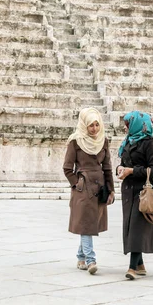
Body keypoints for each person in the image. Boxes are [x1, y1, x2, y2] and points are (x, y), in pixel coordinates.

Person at [63, 107, 115, 275]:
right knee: (86, 224)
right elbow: (67, 168)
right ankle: (91, 260)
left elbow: (107, 167)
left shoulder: (103, 141)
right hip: (83, 188)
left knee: (90, 223)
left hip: (99, 188)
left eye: (96, 125)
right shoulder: (75, 141)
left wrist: (111, 190)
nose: (94, 129)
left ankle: (80, 256)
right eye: (91, 125)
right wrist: (77, 184)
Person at [117, 110, 153, 280]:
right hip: (129, 190)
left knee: (136, 228)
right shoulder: (128, 141)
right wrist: (119, 169)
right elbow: (123, 162)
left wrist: (131, 171)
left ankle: (132, 267)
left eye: (128, 124)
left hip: (144, 191)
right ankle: (140, 264)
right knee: (131, 227)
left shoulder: (149, 143)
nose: (126, 128)